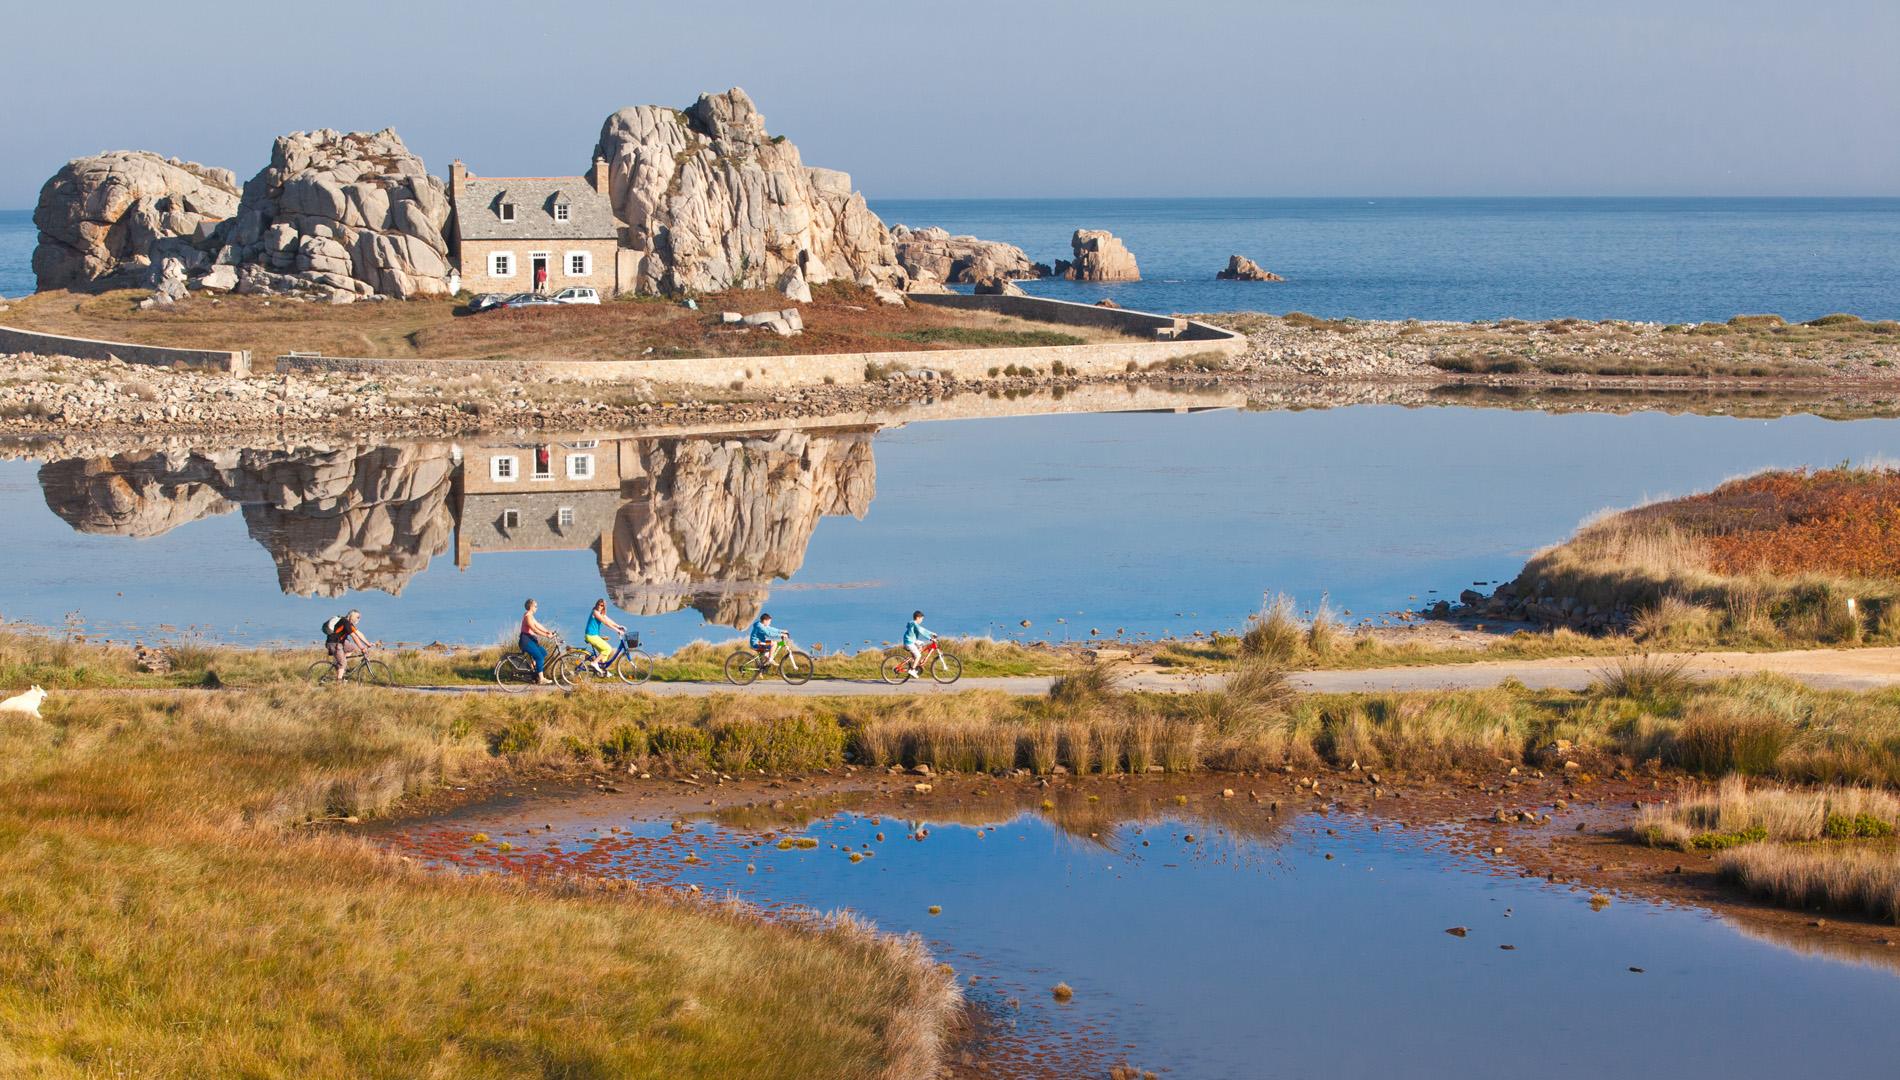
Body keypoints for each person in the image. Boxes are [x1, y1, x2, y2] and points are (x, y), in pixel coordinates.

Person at [324, 608, 370, 681]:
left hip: (340, 642)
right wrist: (362, 648)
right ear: (351, 616)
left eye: (359, 618)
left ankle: (340, 665)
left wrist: (368, 643)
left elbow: (359, 633)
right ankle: (338, 683)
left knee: (352, 648)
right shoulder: (345, 622)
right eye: (357, 617)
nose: (359, 619)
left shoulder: (349, 624)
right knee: (343, 663)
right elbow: (354, 636)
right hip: (334, 643)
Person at [519, 598, 557, 685]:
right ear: (531, 607)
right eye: (535, 606)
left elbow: (538, 625)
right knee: (539, 657)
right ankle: (541, 678)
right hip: (526, 640)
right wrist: (546, 636)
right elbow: (534, 629)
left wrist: (548, 631)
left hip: (530, 639)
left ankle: (533, 670)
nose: (537, 608)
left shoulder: (530, 615)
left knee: (543, 653)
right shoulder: (528, 616)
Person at [583, 599, 626, 672]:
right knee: (608, 649)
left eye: (602, 605)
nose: (600, 606)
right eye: (599, 605)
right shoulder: (595, 612)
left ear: (604, 607)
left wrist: (618, 626)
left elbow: (608, 619)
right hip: (591, 636)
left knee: (604, 654)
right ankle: (594, 663)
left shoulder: (600, 613)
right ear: (596, 604)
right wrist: (617, 630)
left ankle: (603, 671)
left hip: (594, 635)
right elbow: (605, 622)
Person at [903, 610, 938, 678]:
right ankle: (912, 670)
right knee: (918, 655)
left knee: (922, 644)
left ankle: (914, 659)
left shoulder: (915, 624)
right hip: (909, 642)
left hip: (912, 640)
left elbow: (923, 629)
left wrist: (931, 633)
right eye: (922, 619)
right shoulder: (914, 623)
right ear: (918, 618)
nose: (922, 620)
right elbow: (921, 631)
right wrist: (930, 638)